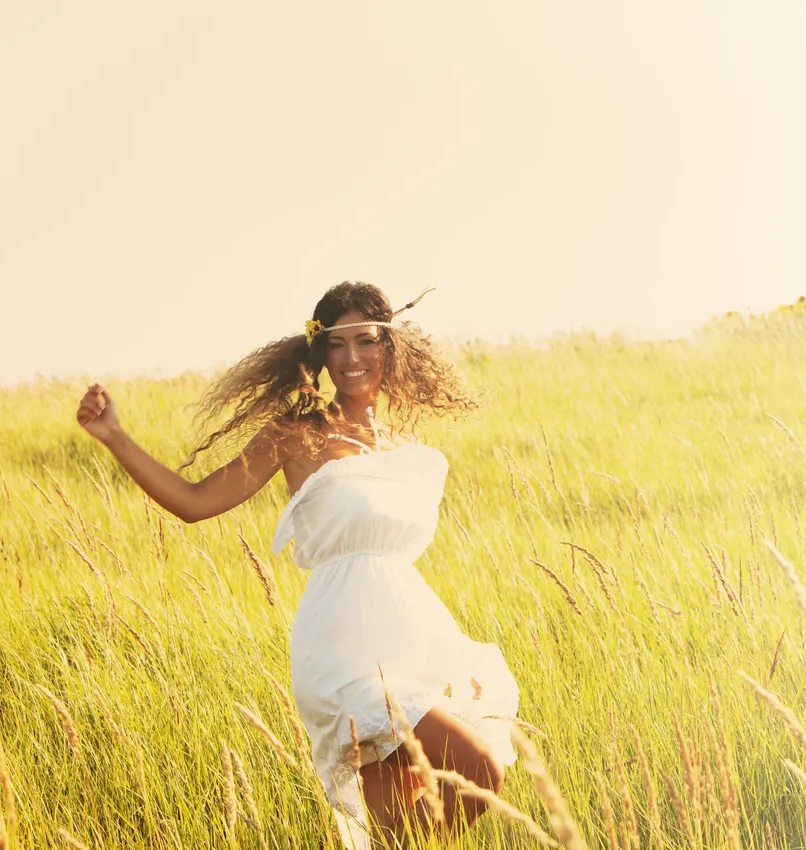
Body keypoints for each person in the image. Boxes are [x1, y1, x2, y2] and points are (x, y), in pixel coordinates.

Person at [75, 282, 519, 847]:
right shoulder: (296, 434)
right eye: (338, 345)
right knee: (481, 769)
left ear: (389, 348)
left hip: (412, 638)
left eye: (366, 342)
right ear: (320, 353)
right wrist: (115, 437)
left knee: (393, 831)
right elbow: (194, 503)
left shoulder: (406, 449)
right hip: (343, 647)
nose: (353, 358)